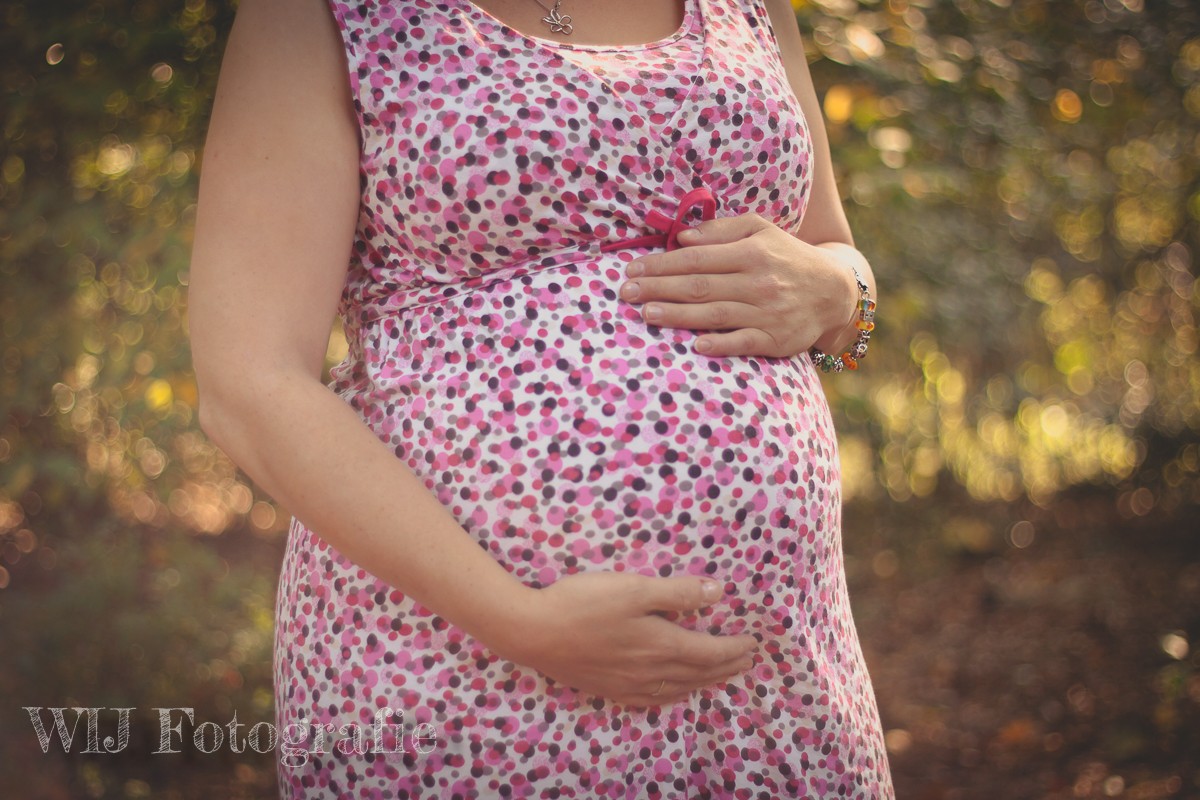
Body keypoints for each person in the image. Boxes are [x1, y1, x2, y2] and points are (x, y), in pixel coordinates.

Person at [188, 0, 894, 795]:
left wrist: (841, 294)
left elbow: (843, 268)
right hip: (464, 665)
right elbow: (250, 383)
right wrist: (516, 619)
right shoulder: (321, 13)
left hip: (774, 682)